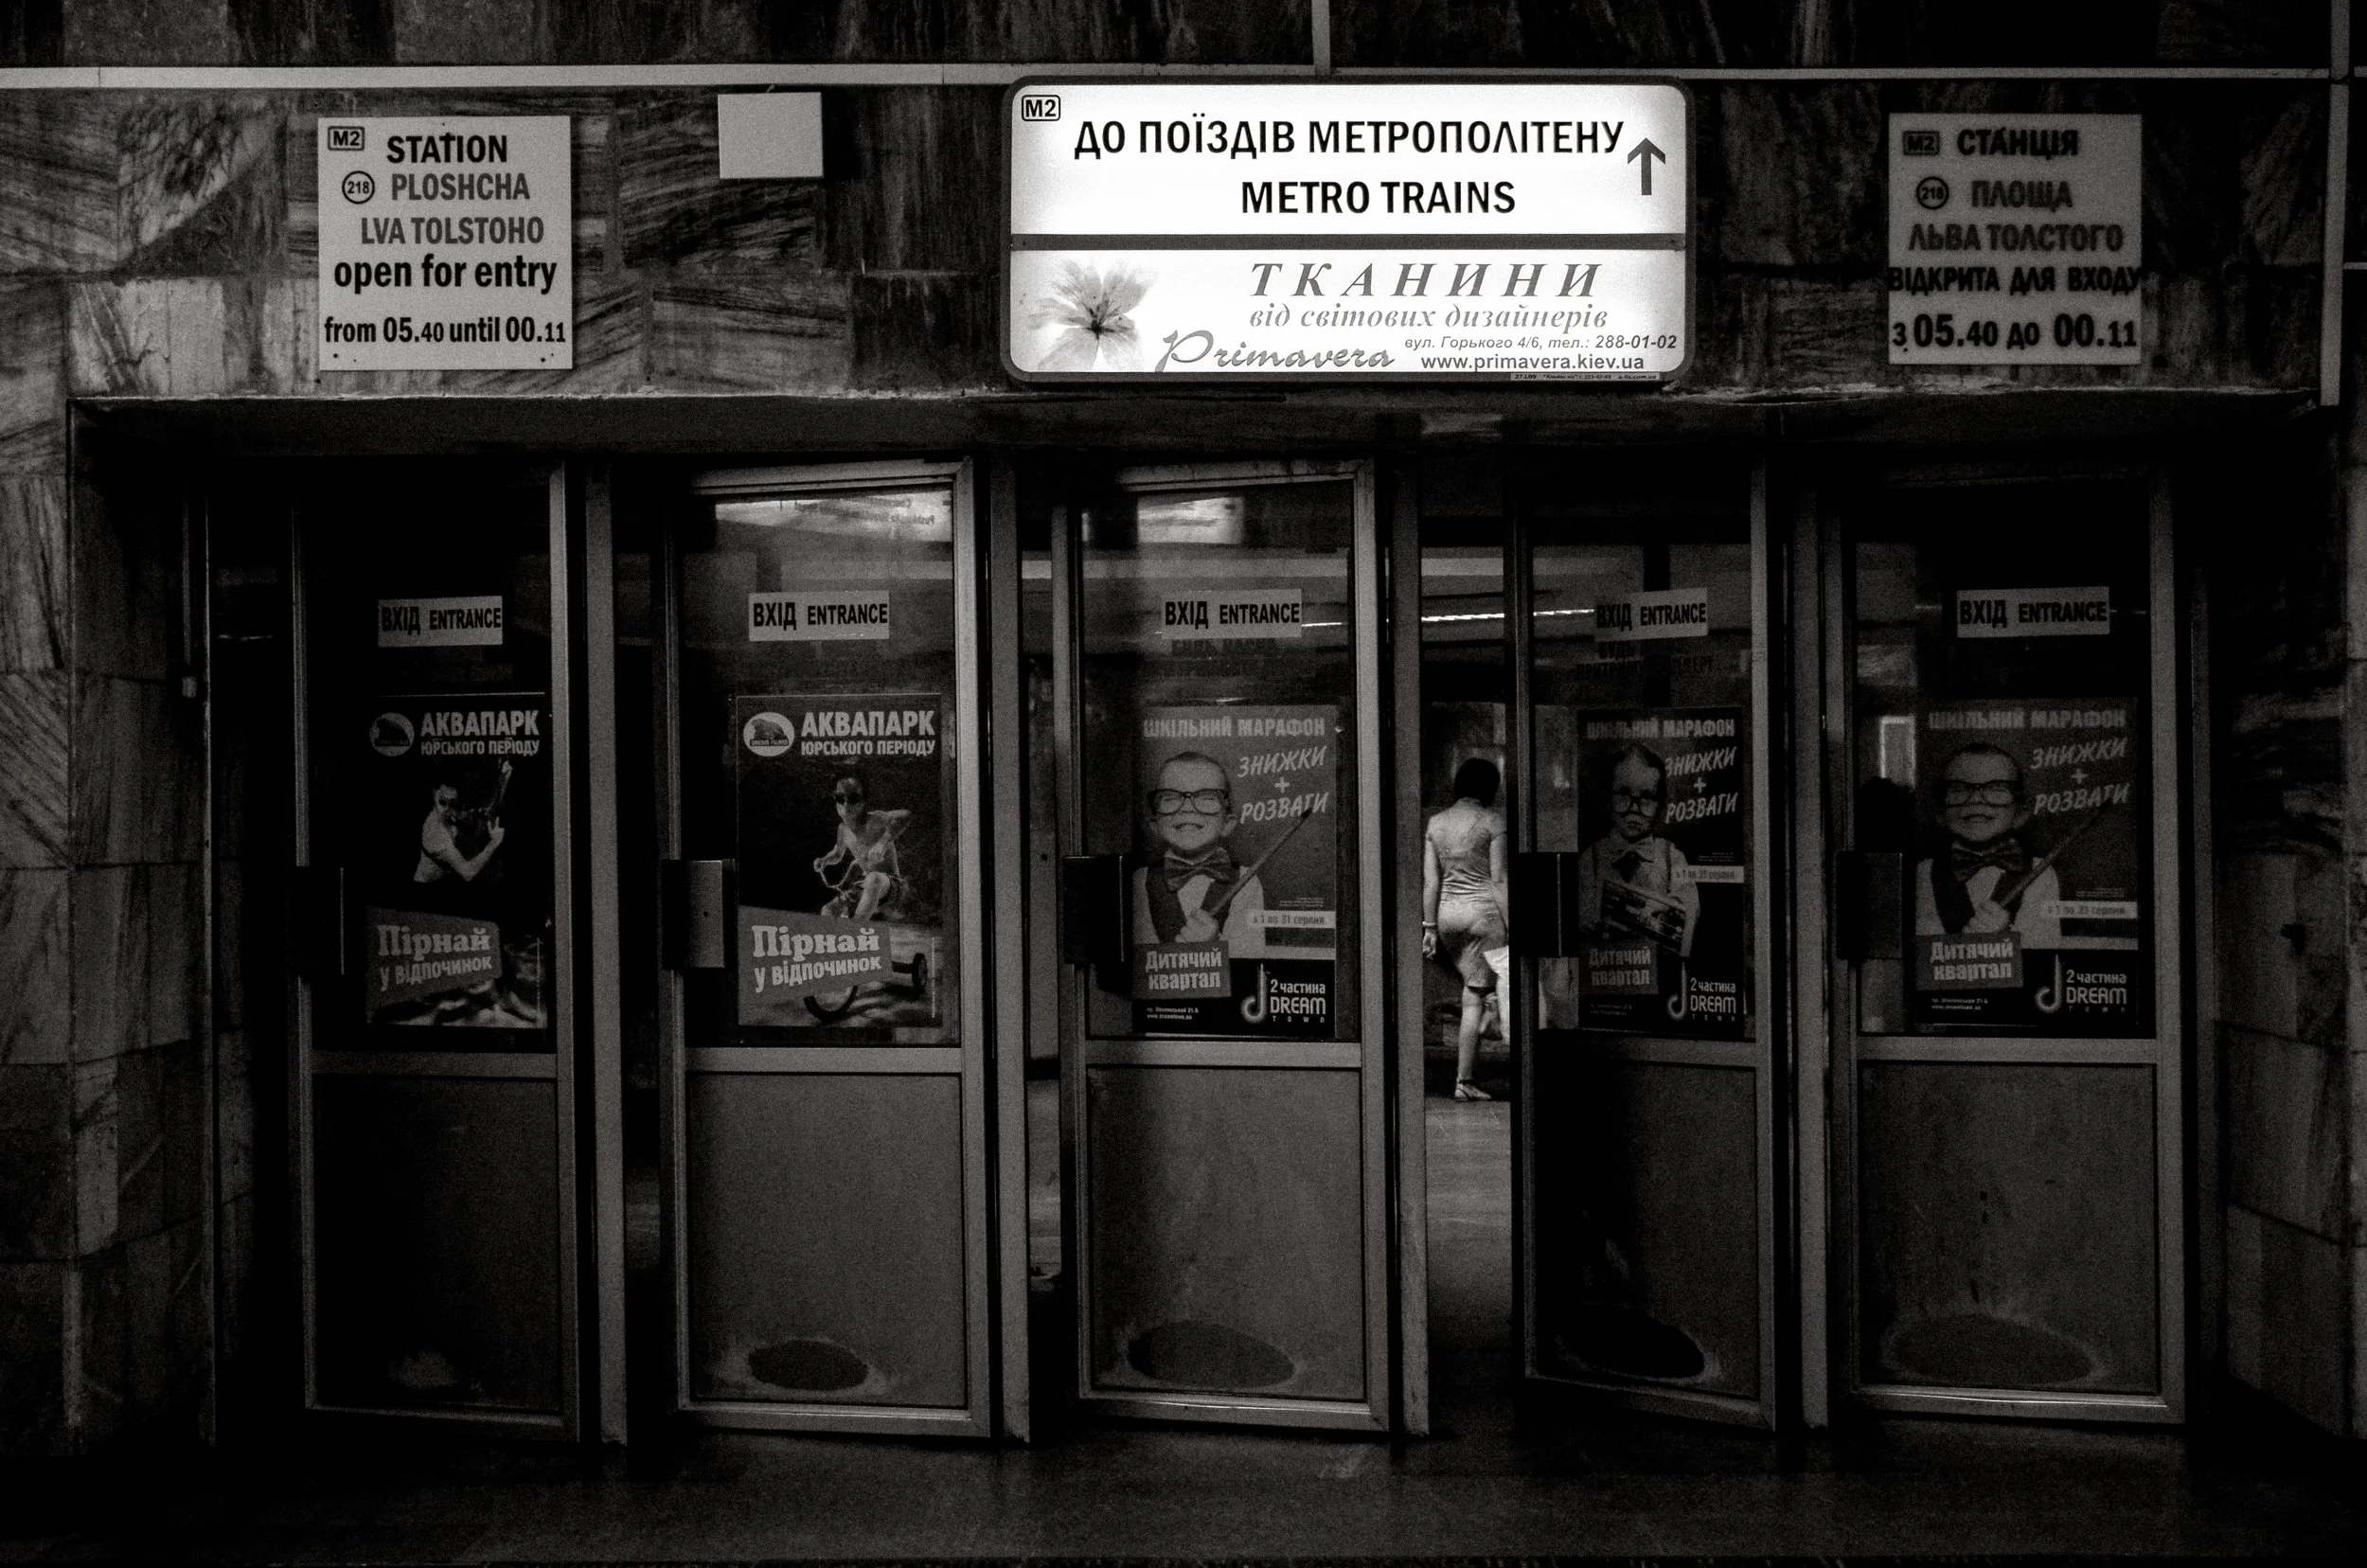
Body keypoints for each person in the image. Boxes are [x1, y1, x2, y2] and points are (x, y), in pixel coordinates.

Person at [1913, 742, 2061, 946]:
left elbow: (2046, 948)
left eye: (1997, 789)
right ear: (1940, 813)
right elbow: (1922, 946)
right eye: (1958, 789)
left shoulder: (2041, 872)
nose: (1976, 799)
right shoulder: (1924, 872)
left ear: (2020, 814)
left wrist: (2006, 937)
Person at [1422, 757, 1508, 1102]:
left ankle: (1467, 1070)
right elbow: (1498, 879)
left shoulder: (1436, 823)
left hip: (1447, 917)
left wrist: (1429, 928)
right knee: (1476, 997)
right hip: (1483, 915)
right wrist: (1512, 926)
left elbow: (1431, 882)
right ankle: (1465, 1080)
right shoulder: (1492, 821)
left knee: (1473, 989)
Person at [1130, 751, 1267, 954]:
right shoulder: (1139, 881)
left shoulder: (1247, 881)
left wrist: (1214, 945)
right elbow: (1139, 959)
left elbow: (1249, 957)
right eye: (1170, 797)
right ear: (1155, 824)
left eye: (1206, 798)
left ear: (1227, 824)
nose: (1187, 808)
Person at [1576, 742, 1698, 957]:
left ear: (1661, 807)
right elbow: (1579, 909)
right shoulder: (1591, 858)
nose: (1634, 808)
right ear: (1608, 799)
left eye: (1647, 798)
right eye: (1623, 795)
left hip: (1659, 967)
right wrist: (1585, 919)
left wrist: (1666, 911)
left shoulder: (1672, 857)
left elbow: (1689, 905)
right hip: (1608, 965)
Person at [813, 769, 913, 921]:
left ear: (863, 802)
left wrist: (882, 843)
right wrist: (825, 860)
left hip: (891, 885)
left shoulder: (876, 820)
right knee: (828, 910)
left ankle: (856, 929)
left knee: (873, 879)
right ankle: (842, 933)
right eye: (840, 798)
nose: (846, 804)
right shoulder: (843, 829)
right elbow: (838, 854)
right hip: (864, 886)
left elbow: (906, 815)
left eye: (853, 799)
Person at [414, 760, 508, 889]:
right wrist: (494, 843)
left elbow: (487, 815)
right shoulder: (434, 831)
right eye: (442, 802)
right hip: (426, 888)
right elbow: (467, 873)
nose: (448, 810)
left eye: (453, 803)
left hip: (447, 880)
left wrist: (503, 779)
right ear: (434, 794)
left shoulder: (452, 811)